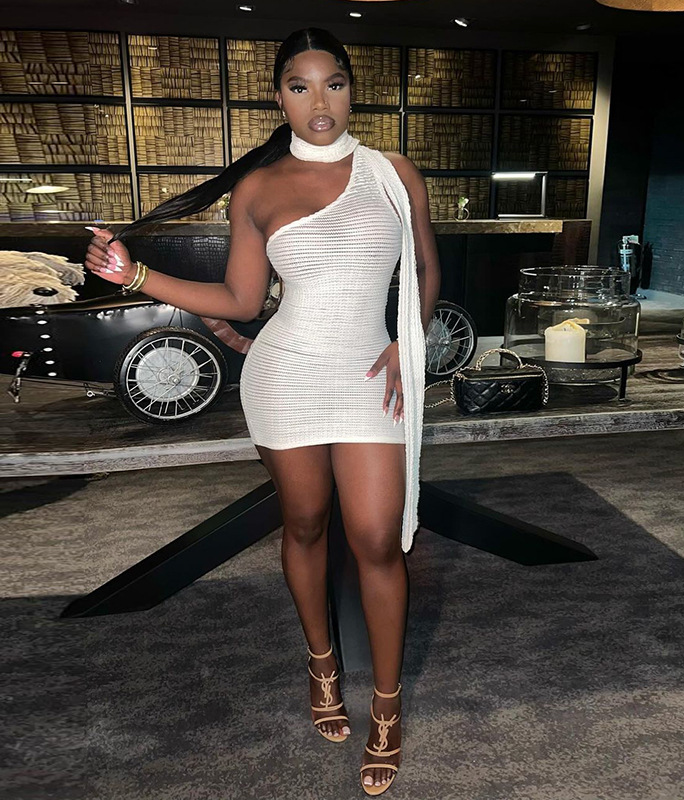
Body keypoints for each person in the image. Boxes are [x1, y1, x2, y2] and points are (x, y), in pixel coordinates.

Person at [84, 27, 440, 796]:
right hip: (285, 375)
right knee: (304, 524)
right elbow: (243, 300)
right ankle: (322, 665)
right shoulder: (258, 188)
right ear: (279, 96)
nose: (320, 100)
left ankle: (385, 706)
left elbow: (424, 270)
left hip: (370, 374)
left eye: (334, 83)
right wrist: (135, 276)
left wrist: (406, 346)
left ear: (352, 89)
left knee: (377, 539)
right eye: (300, 86)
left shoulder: (393, 173)